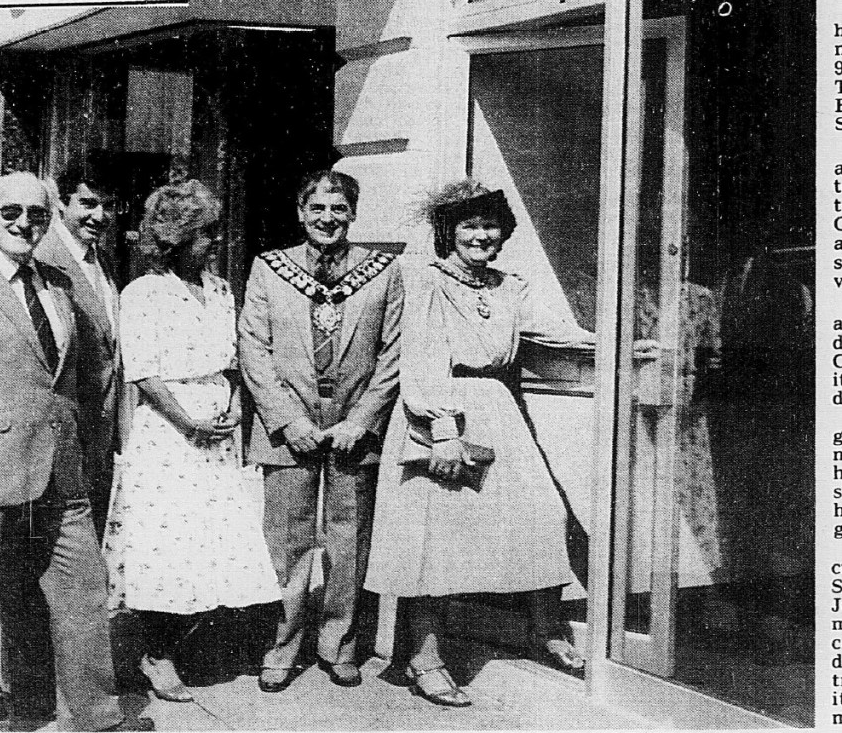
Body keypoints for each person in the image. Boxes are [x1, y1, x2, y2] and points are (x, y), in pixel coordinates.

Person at [0, 172, 148, 732]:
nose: (24, 223)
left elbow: (75, 374)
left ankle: (96, 717)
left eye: (37, 214)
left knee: (83, 593)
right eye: (12, 212)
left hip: (60, 469)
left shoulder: (57, 283)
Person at [365, 181, 592, 707]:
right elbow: (419, 358)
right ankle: (423, 658)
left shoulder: (509, 285)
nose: (481, 235)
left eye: (490, 225)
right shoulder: (423, 280)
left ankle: (546, 631)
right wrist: (444, 432)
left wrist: (618, 342)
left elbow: (552, 336)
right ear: (449, 232)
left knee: (542, 512)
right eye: (469, 225)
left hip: (499, 409)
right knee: (432, 539)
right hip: (440, 411)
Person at [104, 179, 281, 702]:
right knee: (167, 546)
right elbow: (143, 373)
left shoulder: (223, 290)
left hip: (218, 433)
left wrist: (230, 407)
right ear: (176, 238)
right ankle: (155, 653)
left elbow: (233, 362)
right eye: (204, 234)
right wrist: (188, 421)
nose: (214, 243)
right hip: (168, 436)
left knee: (212, 542)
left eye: (214, 232)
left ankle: (186, 642)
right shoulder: (144, 292)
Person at [238, 169, 403, 692]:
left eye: (338, 210)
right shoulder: (269, 268)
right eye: (318, 209)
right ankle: (282, 645)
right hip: (288, 428)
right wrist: (288, 419)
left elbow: (393, 354)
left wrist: (361, 421)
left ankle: (340, 644)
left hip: (356, 426)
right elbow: (253, 350)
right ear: (301, 213)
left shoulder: (383, 271)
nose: (328, 219)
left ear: (352, 215)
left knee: (347, 539)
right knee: (287, 541)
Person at [36, 158, 125, 540]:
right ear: (62, 204)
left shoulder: (103, 261)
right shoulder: (40, 258)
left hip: (99, 432)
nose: (99, 215)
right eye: (87, 204)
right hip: (59, 433)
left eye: (108, 205)